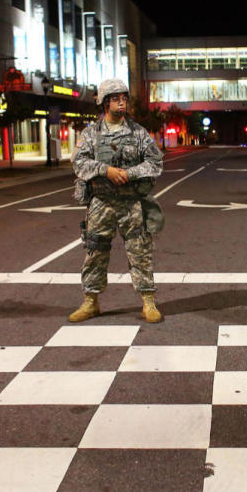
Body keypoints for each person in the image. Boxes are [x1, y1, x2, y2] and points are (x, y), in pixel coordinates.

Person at [69, 78, 165, 323]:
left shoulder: (138, 133)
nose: (121, 101)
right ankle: (91, 302)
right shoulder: (91, 134)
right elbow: (78, 162)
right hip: (101, 203)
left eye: (124, 97)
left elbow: (155, 162)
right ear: (104, 102)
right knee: (95, 252)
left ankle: (148, 302)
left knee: (140, 251)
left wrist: (130, 174)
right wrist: (105, 170)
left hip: (131, 203)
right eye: (115, 98)